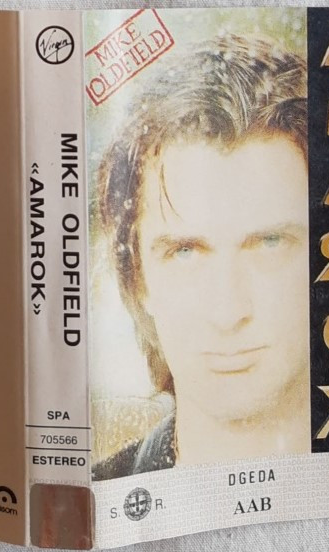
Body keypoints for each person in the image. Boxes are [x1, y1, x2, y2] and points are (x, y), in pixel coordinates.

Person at [92, 33, 310, 480]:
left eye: (270, 243)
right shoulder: (88, 501)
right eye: (185, 252)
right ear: (137, 277)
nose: (228, 313)